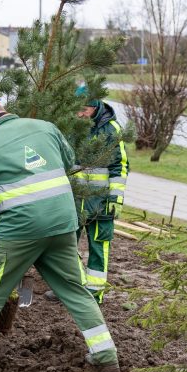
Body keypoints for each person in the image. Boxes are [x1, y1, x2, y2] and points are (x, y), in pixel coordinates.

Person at [0, 97, 119, 372]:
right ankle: (106, 356)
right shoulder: (47, 127)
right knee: (76, 289)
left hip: (18, 229)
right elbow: (67, 163)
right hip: (63, 224)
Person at [60, 93, 128, 303]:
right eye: (77, 110)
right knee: (66, 246)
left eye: (85, 110)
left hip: (100, 203)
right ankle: (72, 290)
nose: (80, 114)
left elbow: (120, 165)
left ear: (96, 107)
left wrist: (115, 199)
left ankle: (94, 293)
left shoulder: (111, 129)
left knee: (99, 247)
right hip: (72, 201)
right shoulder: (69, 126)